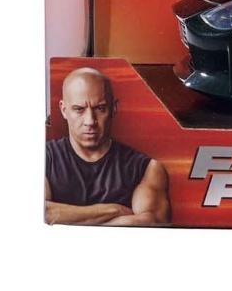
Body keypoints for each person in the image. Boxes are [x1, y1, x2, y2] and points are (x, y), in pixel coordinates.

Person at [45, 66, 170, 226]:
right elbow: (40, 213)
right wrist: (113, 210)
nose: (90, 121)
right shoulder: (44, 157)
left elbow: (151, 222)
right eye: (79, 110)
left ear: (113, 108)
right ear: (63, 110)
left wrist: (66, 219)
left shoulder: (146, 169)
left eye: (100, 108)